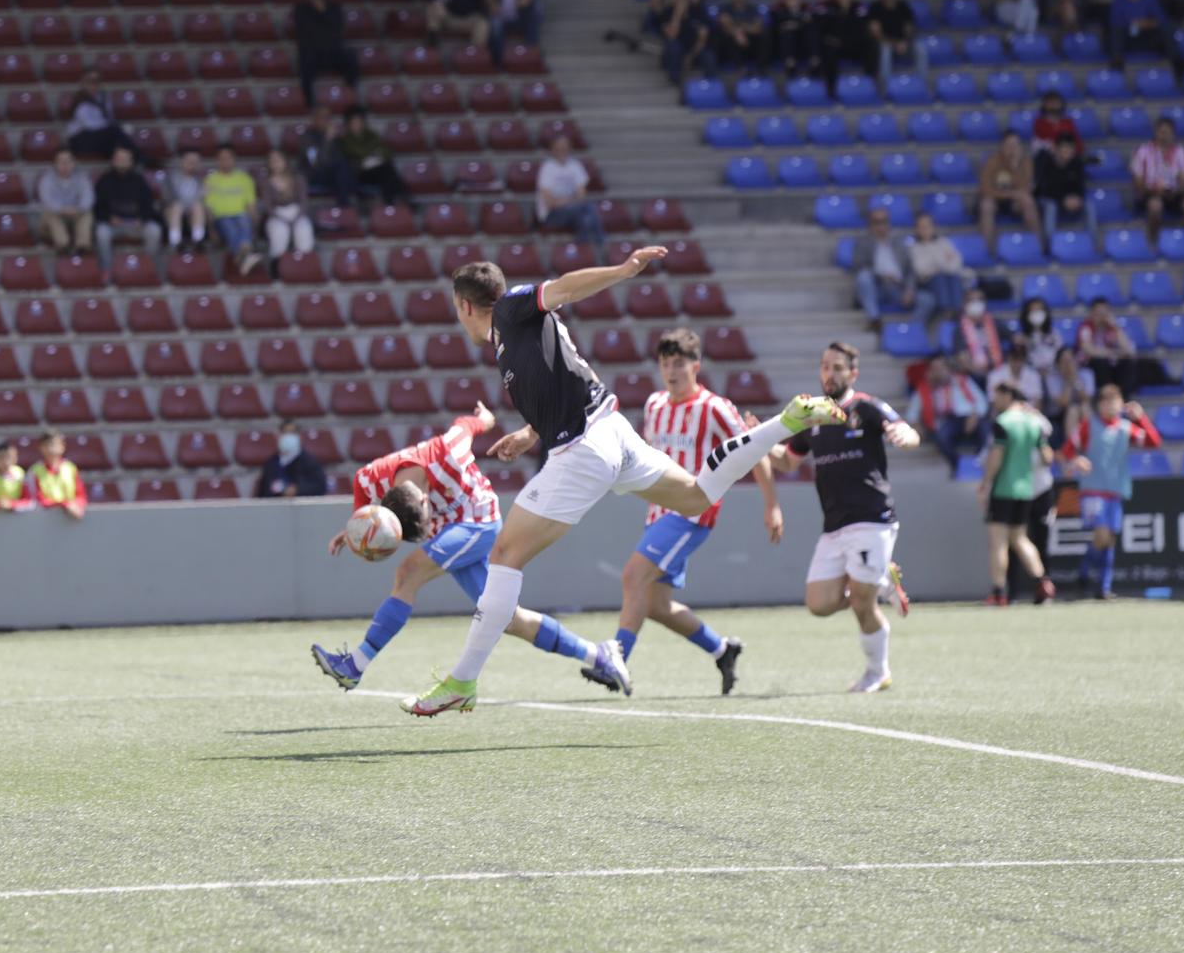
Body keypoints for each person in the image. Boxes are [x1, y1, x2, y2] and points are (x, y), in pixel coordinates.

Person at [398, 256, 841, 717]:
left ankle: (463, 680)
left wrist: (623, 270)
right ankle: (783, 424)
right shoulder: (513, 338)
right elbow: (564, 379)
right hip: (613, 433)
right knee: (696, 495)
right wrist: (531, 433)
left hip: (586, 448)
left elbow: (565, 287)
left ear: (465, 306)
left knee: (504, 557)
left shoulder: (510, 308)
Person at [310, 406, 627, 693]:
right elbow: (364, 512)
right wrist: (355, 531)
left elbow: (465, 425)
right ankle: (599, 655)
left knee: (408, 572)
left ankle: (354, 666)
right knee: (507, 618)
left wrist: (485, 419)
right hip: (451, 531)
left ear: (424, 499)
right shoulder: (367, 480)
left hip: (479, 520)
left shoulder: (447, 451)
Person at [596, 329, 784, 695]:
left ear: (695, 366)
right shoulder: (654, 405)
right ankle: (721, 649)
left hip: (693, 511)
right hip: (659, 510)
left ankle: (615, 662)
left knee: (633, 577)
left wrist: (772, 504)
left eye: (679, 363)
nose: (672, 371)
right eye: (665, 363)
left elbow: (752, 449)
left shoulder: (714, 407)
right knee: (655, 604)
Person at [776, 342, 918, 693]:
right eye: (826, 366)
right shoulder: (813, 415)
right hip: (834, 526)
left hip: (873, 519)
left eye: (838, 368)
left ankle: (877, 671)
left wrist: (905, 435)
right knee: (818, 605)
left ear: (853, 373)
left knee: (860, 603)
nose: (830, 374)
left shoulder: (866, 407)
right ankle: (882, 579)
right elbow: (788, 461)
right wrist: (755, 441)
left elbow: (908, 432)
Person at [1066, 386, 1160, 600]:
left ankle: (1103, 587)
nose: (1110, 406)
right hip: (1092, 490)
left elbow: (1153, 443)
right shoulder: (1089, 426)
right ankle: (1085, 571)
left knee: (1109, 539)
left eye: (1114, 401)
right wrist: (1076, 459)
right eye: (1106, 402)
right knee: (1102, 535)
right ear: (1099, 405)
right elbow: (1068, 448)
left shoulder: (1126, 428)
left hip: (1115, 490)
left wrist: (1141, 418)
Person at [979, 384, 1054, 607]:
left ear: (1008, 396)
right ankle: (1043, 582)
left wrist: (985, 483)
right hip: (1026, 489)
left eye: (998, 396)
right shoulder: (1034, 422)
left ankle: (999, 592)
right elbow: (1047, 457)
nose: (995, 401)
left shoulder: (1003, 423)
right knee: (1020, 538)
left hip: (1004, 488)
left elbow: (996, 457)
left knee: (998, 541)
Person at [906, 355, 986, 475]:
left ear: (949, 369)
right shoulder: (926, 388)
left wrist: (975, 415)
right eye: (935, 369)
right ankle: (958, 465)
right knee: (942, 437)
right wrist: (916, 424)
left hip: (970, 416)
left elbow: (981, 402)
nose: (939, 372)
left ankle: (982, 462)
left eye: (941, 368)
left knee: (986, 430)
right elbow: (912, 412)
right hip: (948, 420)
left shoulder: (962, 381)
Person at [93, 145, 162, 271]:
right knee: (101, 233)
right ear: (113, 160)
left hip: (136, 224)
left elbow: (148, 205)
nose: (122, 161)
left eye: (126, 159)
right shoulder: (104, 180)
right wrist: (109, 218)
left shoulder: (139, 180)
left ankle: (148, 267)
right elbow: (97, 207)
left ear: (131, 161)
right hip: (112, 224)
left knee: (154, 230)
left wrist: (141, 219)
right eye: (120, 158)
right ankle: (106, 271)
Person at [852, 206, 925, 327]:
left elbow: (909, 270)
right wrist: (881, 276)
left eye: (884, 221)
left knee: (927, 299)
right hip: (877, 287)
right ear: (870, 224)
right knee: (863, 277)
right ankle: (874, 318)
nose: (881, 226)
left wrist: (909, 290)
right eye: (876, 222)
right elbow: (859, 266)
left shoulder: (899, 243)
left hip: (898, 287)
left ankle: (911, 329)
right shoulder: (863, 243)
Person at [292, 0, 359, 105]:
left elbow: (337, 28)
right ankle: (309, 103)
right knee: (304, 63)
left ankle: (350, 93)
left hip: (333, 51)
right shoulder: (300, 9)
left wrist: (322, 11)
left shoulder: (334, 7)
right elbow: (305, 31)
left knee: (351, 56)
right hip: (313, 53)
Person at [650, 0, 708, 85]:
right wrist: (663, 16)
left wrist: (685, 5)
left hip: (687, 12)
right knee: (673, 42)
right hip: (667, 10)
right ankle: (674, 74)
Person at [534, 133, 604, 245]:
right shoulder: (547, 168)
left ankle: (583, 252)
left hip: (573, 211)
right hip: (552, 215)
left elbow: (582, 194)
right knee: (588, 208)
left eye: (565, 147)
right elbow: (550, 202)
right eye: (559, 147)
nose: (562, 150)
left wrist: (568, 201)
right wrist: (572, 200)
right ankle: (601, 242)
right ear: (553, 149)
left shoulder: (575, 165)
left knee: (585, 220)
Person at [1106, 0, 1179, 73]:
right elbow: (1114, 22)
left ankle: (1176, 62)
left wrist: (1148, 23)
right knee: (1116, 31)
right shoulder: (1118, 1)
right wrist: (1134, 24)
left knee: (1168, 27)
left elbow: (1162, 19)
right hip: (1128, 39)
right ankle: (1117, 63)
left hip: (1147, 36)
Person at [978, 128, 1040, 249]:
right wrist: (1009, 194)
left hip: (1014, 202)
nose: (1012, 148)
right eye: (1009, 145)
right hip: (995, 199)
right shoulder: (992, 161)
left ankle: (1037, 245)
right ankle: (986, 249)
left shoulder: (1026, 162)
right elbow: (985, 188)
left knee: (1028, 201)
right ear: (1002, 146)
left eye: (1015, 145)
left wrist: (1015, 167)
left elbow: (1027, 188)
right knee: (986, 205)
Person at [337, 107, 412, 207]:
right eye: (354, 122)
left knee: (386, 170)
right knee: (387, 170)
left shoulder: (371, 135)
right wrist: (374, 155)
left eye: (359, 121)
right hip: (360, 173)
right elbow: (357, 153)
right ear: (348, 124)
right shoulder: (346, 139)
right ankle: (402, 198)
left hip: (376, 170)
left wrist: (373, 158)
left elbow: (386, 152)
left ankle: (391, 202)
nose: (357, 124)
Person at [813, 0, 874, 98]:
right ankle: (831, 90)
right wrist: (841, 13)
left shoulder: (859, 8)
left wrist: (843, 39)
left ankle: (871, 83)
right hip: (833, 46)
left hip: (852, 45)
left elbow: (860, 30)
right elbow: (823, 28)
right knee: (828, 49)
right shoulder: (826, 7)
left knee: (870, 44)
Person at [1130, 115, 1184, 231]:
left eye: (1168, 132)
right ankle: (1154, 239)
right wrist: (1154, 191)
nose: (1165, 136)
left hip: (1173, 194)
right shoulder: (1142, 151)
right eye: (1162, 132)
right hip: (1150, 193)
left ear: (1173, 134)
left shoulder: (1181, 151)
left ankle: (1180, 234)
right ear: (1156, 132)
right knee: (1156, 205)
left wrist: (1176, 191)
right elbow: (1137, 183)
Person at [865, 0, 924, 91]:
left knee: (921, 48)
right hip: (885, 43)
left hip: (903, 43)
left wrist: (905, 42)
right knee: (885, 51)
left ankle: (922, 84)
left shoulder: (903, 7)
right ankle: (886, 87)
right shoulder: (875, 8)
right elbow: (876, 33)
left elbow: (909, 29)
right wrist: (894, 44)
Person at [64, 70, 136, 162]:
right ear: (83, 83)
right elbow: (90, 125)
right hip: (80, 138)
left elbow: (110, 118)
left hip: (100, 137)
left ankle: (127, 162)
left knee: (116, 143)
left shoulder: (104, 98)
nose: (93, 85)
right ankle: (140, 158)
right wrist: (116, 128)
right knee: (115, 132)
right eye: (90, 81)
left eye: (96, 81)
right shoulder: (80, 100)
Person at [36, 148, 96, 254]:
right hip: (55, 217)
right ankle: (63, 245)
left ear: (74, 163)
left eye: (68, 161)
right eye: (61, 162)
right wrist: (63, 210)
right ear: (55, 164)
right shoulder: (47, 179)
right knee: (51, 213)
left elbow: (88, 198)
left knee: (87, 213)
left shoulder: (82, 178)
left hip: (75, 214)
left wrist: (78, 209)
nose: (65, 165)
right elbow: (48, 201)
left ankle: (83, 247)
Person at [259, 148, 315, 261]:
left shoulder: (298, 178)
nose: (275, 164)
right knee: (279, 232)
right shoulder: (265, 182)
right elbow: (268, 206)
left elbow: (304, 201)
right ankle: (277, 266)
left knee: (303, 230)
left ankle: (304, 263)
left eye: (278, 160)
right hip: (277, 214)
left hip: (297, 212)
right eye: (272, 161)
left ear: (285, 161)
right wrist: (282, 219)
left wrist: (297, 217)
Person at [1074, 298, 1138, 396]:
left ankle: (1124, 397)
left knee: (1128, 361)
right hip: (1091, 365)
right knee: (1100, 361)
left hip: (1110, 365)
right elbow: (1089, 350)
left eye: (1105, 313)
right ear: (1091, 313)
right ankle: (1106, 396)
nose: (1101, 317)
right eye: (1098, 313)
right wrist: (1112, 352)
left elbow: (1128, 349)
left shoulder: (1112, 328)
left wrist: (1116, 328)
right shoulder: (1085, 327)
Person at [909, 212, 968, 318]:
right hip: (927, 283)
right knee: (939, 278)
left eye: (928, 226)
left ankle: (957, 310)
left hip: (949, 278)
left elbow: (957, 263)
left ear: (933, 227)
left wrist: (936, 264)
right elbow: (921, 270)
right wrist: (943, 261)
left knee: (954, 277)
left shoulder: (944, 242)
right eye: (921, 226)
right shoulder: (914, 248)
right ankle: (945, 311)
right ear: (916, 229)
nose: (925, 229)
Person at [1034, 130, 1092, 239]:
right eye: (1065, 148)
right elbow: (1043, 189)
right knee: (1051, 207)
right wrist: (1062, 199)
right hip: (1047, 199)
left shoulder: (1077, 163)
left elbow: (1080, 186)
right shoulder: (1045, 162)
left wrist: (1077, 198)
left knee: (1089, 205)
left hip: (1068, 199)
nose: (1068, 152)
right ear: (1056, 149)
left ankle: (1091, 242)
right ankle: (1051, 243)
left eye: (1071, 148)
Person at [256, 419, 327, 498]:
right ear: (279, 435)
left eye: (292, 433)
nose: (288, 437)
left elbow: (320, 488)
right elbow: (263, 493)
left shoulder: (311, 462)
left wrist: (298, 490)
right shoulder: (271, 464)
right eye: (285, 433)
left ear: (299, 436)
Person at [712, 0, 767, 76]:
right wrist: (738, 33)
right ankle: (739, 68)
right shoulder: (725, 8)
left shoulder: (752, 9)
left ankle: (760, 68)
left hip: (749, 43)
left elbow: (757, 27)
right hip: (731, 47)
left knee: (764, 35)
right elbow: (725, 25)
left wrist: (741, 29)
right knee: (726, 35)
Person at [30, 431, 88, 517]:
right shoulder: (35, 471)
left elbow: (81, 496)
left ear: (62, 446)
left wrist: (76, 505)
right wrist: (65, 505)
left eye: (55, 444)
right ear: (41, 448)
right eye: (47, 444)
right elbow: (38, 500)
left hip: (69, 519)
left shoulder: (71, 468)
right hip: (44, 519)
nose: (51, 448)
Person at [952, 286, 1003, 382]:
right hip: (973, 377)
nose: (976, 304)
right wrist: (983, 376)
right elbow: (963, 359)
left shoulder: (993, 323)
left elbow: (1015, 337)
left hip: (997, 372)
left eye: (979, 300)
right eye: (972, 300)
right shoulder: (959, 329)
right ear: (965, 304)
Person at [161, 148, 207, 250]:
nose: (193, 164)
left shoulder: (200, 179)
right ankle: (175, 242)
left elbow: (202, 199)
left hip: (192, 211)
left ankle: (198, 241)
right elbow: (167, 198)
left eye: (196, 162)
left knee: (197, 206)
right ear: (183, 161)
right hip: (173, 209)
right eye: (190, 161)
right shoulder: (171, 178)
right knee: (177, 206)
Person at [770, 0, 817, 79]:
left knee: (811, 31)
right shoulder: (778, 8)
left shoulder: (808, 8)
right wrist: (798, 21)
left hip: (804, 46)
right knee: (787, 33)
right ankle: (790, 65)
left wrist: (794, 23)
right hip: (784, 49)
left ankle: (815, 63)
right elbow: (777, 24)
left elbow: (811, 22)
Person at [984, 337, 1043, 405]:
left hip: (1028, 413)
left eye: (1020, 358)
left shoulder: (1033, 375)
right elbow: (993, 402)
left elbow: (1038, 402)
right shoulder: (995, 375)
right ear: (1008, 357)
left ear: (1024, 358)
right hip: (1005, 413)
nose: (1017, 362)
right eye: (1014, 358)